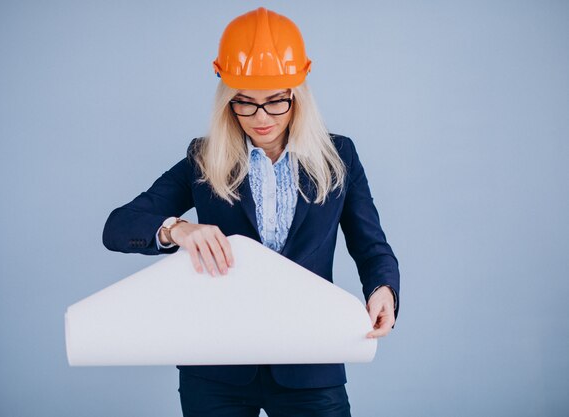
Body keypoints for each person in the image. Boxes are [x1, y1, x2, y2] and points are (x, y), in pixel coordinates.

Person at [102, 7, 399, 417]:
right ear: (228, 100)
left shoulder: (338, 157)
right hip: (217, 370)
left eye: (276, 101)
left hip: (309, 365)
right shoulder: (203, 159)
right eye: (245, 103)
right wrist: (177, 230)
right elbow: (118, 226)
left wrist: (382, 288)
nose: (261, 118)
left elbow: (371, 246)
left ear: (299, 94)